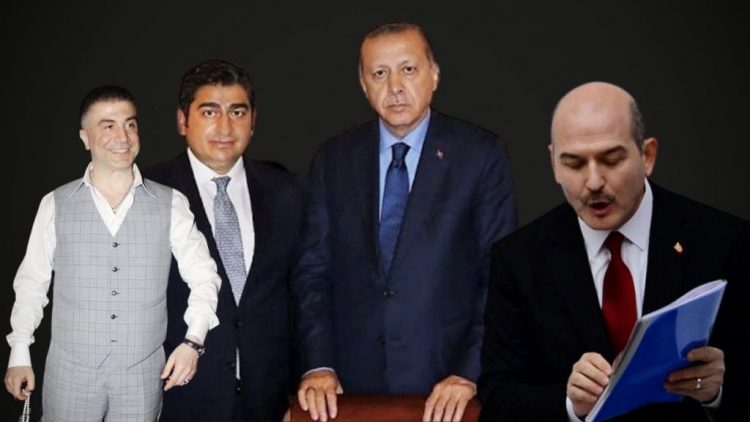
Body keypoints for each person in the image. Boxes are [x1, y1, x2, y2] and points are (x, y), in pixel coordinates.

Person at [478, 81, 750, 421]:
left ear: (647, 156)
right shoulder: (519, 259)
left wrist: (718, 391)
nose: (593, 182)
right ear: (554, 164)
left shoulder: (724, 242)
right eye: (574, 164)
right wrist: (570, 405)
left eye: (611, 160)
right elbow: (498, 399)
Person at [293, 22, 518, 422]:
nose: (395, 86)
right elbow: (313, 273)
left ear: (435, 74)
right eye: (379, 73)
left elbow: (500, 278)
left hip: (447, 390)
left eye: (408, 69)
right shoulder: (335, 158)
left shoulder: (479, 155)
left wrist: (469, 372)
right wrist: (319, 365)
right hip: (349, 392)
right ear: (363, 84)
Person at [3, 85, 221, 421]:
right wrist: (19, 351)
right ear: (85, 137)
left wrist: (193, 342)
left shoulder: (172, 204)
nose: (123, 136)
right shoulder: (55, 204)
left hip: (142, 375)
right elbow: (32, 283)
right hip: (71, 372)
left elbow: (205, 277)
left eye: (130, 124)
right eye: (108, 126)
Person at [145, 59, 305, 421]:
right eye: (209, 112)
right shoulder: (147, 194)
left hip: (271, 403)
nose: (224, 126)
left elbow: (305, 294)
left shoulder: (288, 192)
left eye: (237, 111)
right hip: (177, 399)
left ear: (253, 121)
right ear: (183, 121)